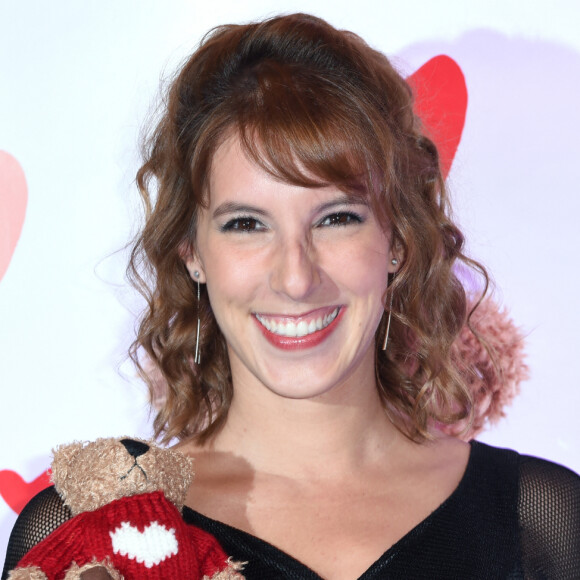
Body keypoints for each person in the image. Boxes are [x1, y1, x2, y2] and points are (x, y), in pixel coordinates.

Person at [3, 12, 579, 580]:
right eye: (246, 225)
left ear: (397, 239)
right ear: (191, 252)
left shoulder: (541, 521)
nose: (296, 278)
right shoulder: (83, 536)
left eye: (337, 218)